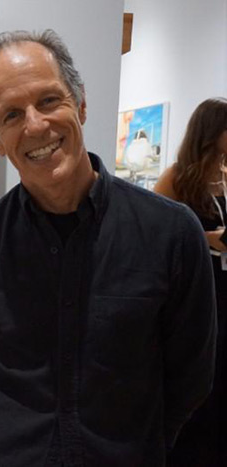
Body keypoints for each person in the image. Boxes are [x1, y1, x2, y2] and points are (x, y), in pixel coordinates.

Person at [0, 29, 216, 466]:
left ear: (81, 103)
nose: (35, 125)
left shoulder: (171, 233)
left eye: (49, 100)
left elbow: (191, 374)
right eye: (11, 115)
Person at [153, 97, 227, 466]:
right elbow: (154, 231)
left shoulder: (226, 176)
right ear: (212, 132)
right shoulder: (177, 176)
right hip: (201, 283)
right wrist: (205, 238)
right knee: (201, 365)